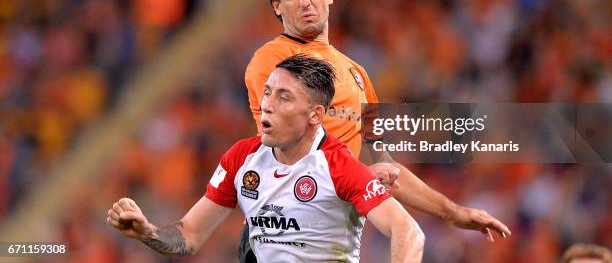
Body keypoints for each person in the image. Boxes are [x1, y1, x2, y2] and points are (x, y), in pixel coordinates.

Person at [242, 0, 510, 261]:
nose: (305, 1)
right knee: (408, 233)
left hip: (332, 240)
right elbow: (283, 156)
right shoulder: (272, 60)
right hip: (284, 234)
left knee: (409, 234)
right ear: (277, 5)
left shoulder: (357, 75)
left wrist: (453, 212)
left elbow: (383, 164)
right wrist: (359, 177)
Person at [107, 55, 425, 262]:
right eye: (268, 92)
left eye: (283, 97)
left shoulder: (338, 167)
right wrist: (147, 231)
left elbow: (408, 231)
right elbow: (189, 234)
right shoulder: (242, 158)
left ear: (315, 115)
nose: (267, 105)